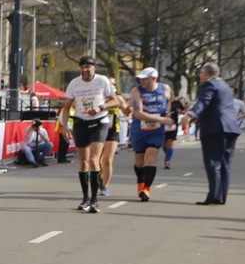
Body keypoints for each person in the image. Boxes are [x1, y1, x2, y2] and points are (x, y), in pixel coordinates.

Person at [58, 54, 117, 213]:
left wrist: (100, 108)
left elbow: (115, 101)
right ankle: (85, 198)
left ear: (94, 67)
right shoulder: (74, 83)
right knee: (83, 162)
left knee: (93, 159)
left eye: (88, 67)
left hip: (99, 123)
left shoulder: (102, 81)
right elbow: (66, 107)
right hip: (80, 123)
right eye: (82, 67)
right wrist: (65, 127)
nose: (85, 70)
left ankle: (94, 200)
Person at [185, 62, 242, 205]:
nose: (200, 76)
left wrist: (190, 114)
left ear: (206, 73)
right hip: (230, 127)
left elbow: (203, 101)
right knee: (225, 164)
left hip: (215, 128)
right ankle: (222, 196)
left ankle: (215, 195)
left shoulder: (209, 84)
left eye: (201, 73)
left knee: (213, 162)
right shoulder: (226, 86)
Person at [128, 67, 173, 201]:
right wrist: (161, 119)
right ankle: (140, 182)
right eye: (140, 79)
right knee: (139, 161)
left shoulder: (165, 88)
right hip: (139, 130)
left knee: (150, 158)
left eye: (145, 79)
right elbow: (138, 113)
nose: (141, 81)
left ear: (153, 79)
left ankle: (146, 188)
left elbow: (169, 100)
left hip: (156, 131)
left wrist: (168, 111)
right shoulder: (136, 91)